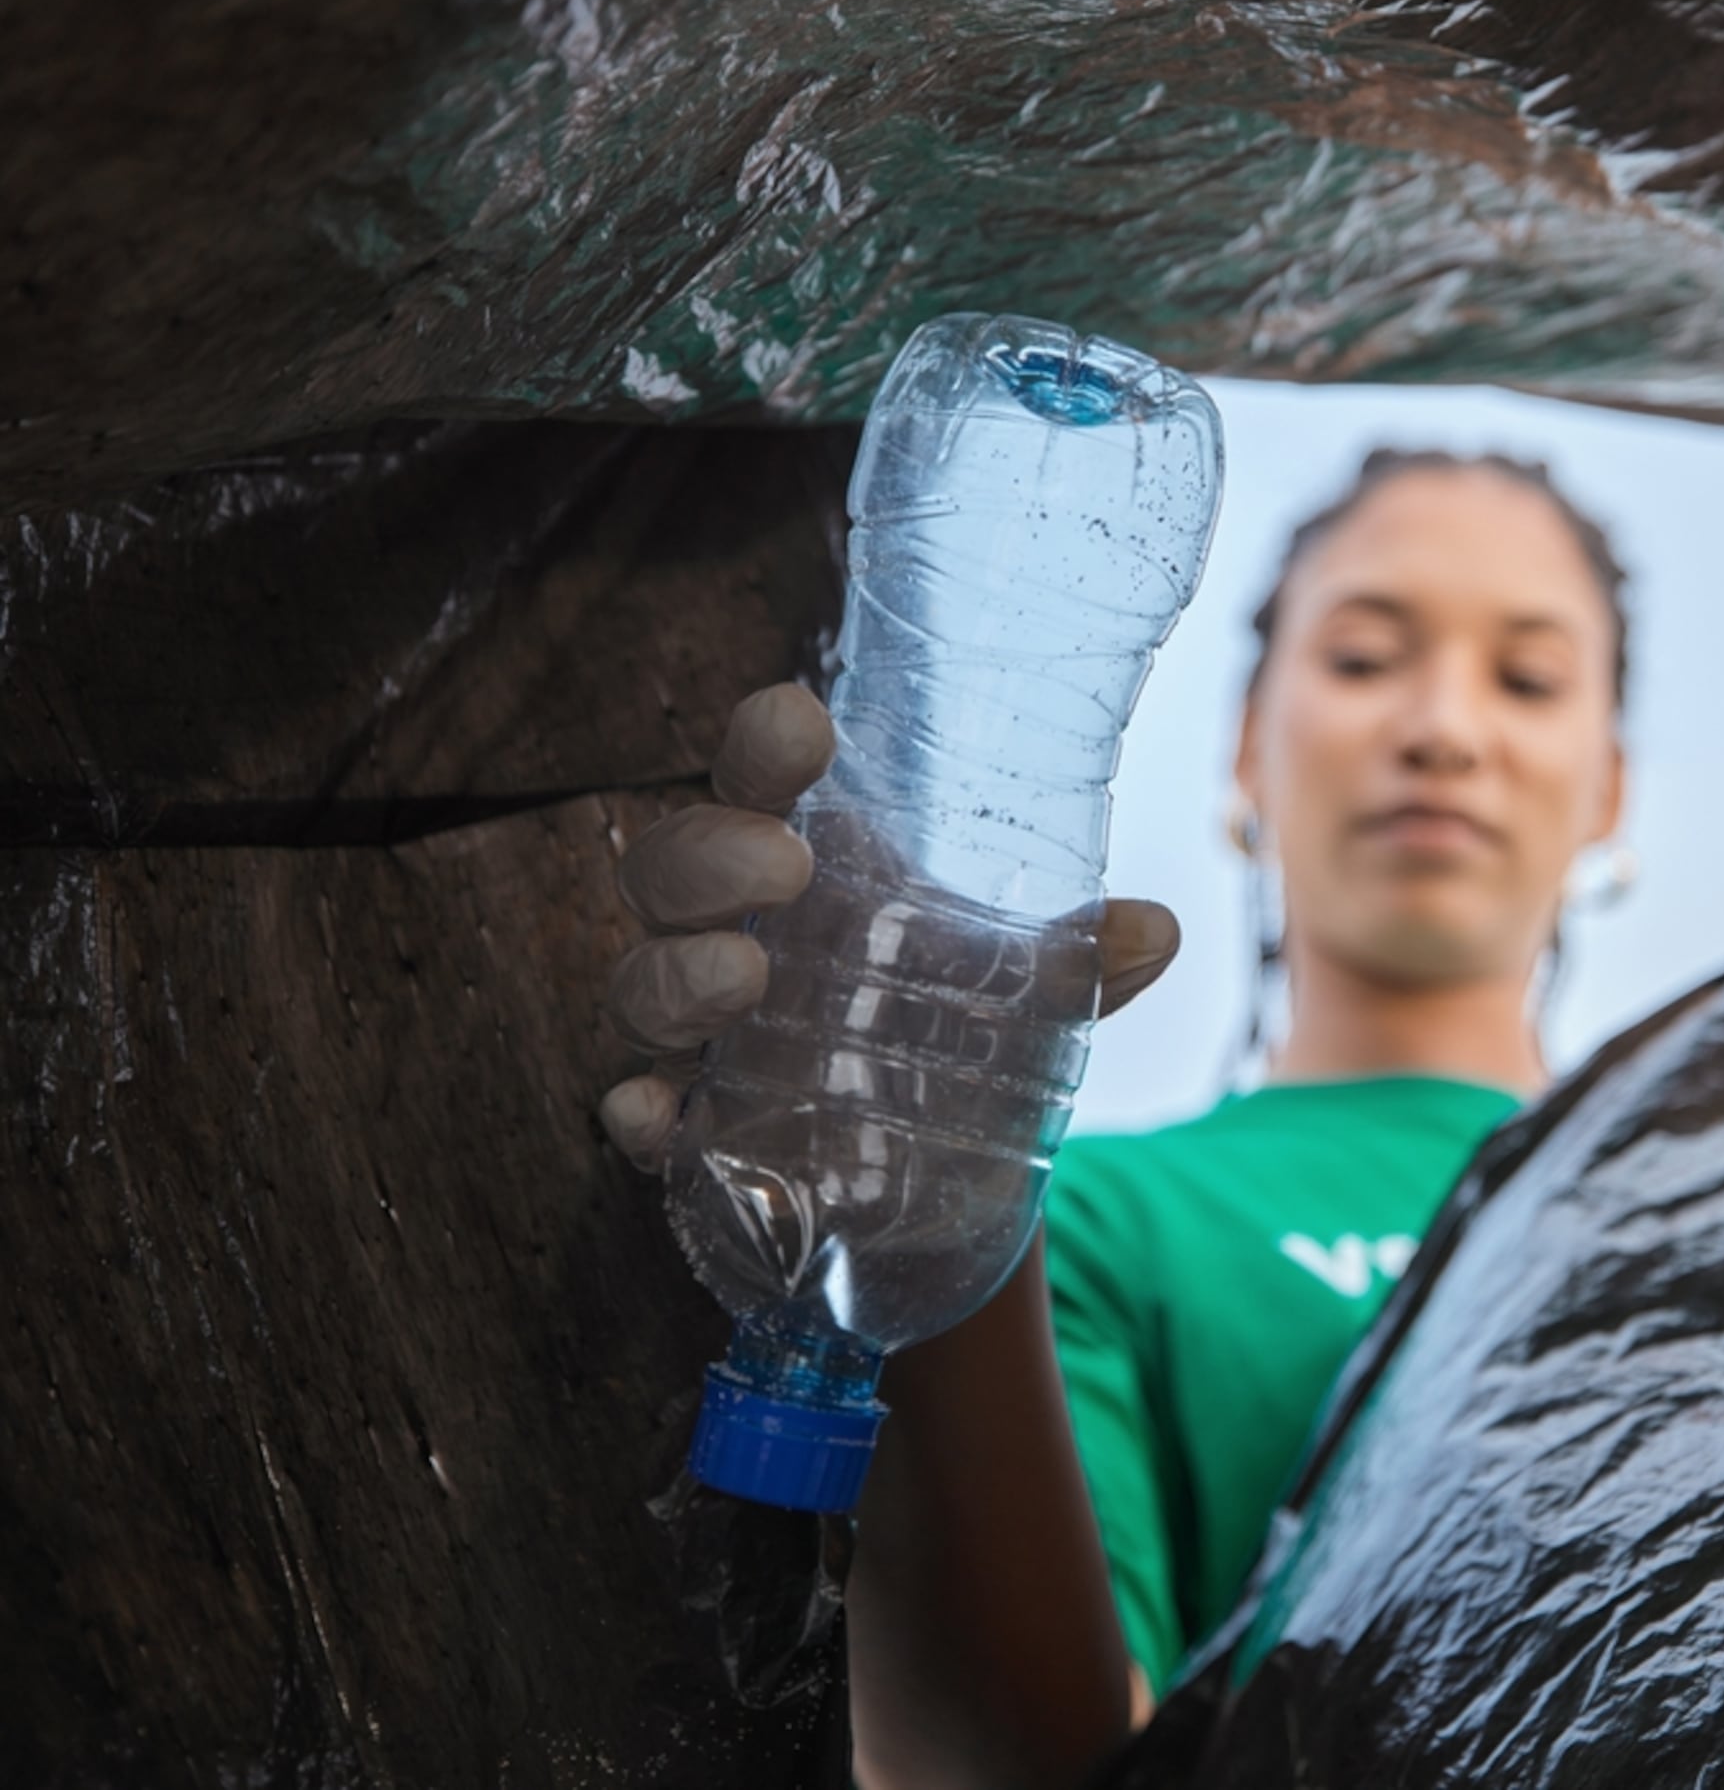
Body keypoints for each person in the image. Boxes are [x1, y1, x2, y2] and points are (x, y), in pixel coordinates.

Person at [600, 448, 1635, 1789]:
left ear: (1609, 792)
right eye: (1366, 659)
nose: (1444, 728)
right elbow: (1034, 1767)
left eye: (1528, 681)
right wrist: (931, 1226)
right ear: (1247, 753)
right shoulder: (1077, 1223)